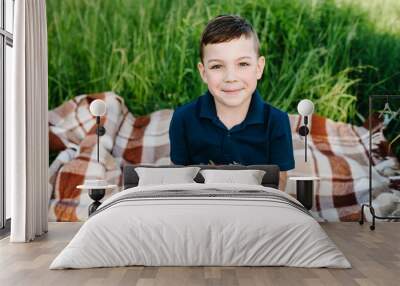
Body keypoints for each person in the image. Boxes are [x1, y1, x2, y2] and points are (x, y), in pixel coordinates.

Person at [169, 15, 295, 190]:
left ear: (258, 68)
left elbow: (278, 186)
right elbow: (179, 182)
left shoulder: (277, 121)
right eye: (217, 66)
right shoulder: (183, 119)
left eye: (242, 64)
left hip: (256, 211)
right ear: (203, 72)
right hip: (200, 210)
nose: (230, 78)